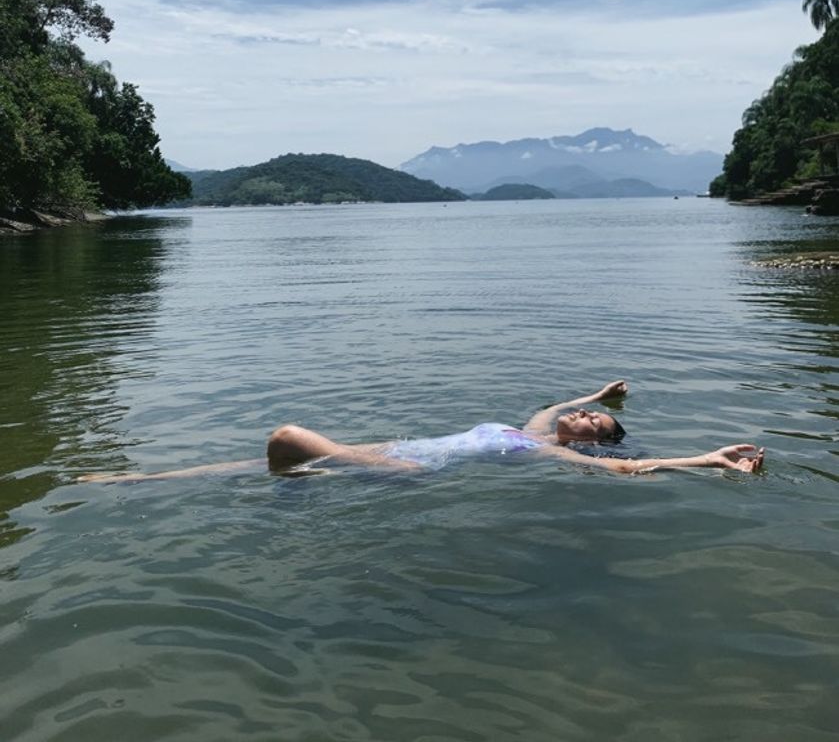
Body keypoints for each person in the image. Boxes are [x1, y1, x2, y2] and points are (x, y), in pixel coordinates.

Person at [78, 380, 765, 482]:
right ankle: (139, 479)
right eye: (587, 413)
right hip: (390, 451)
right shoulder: (528, 426)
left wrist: (706, 458)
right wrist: (600, 391)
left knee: (286, 436)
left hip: (408, 471)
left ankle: (290, 484)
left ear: (589, 442)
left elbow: (626, 469)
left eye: (594, 421)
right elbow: (555, 401)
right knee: (245, 468)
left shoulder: (549, 453)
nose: (582, 417)